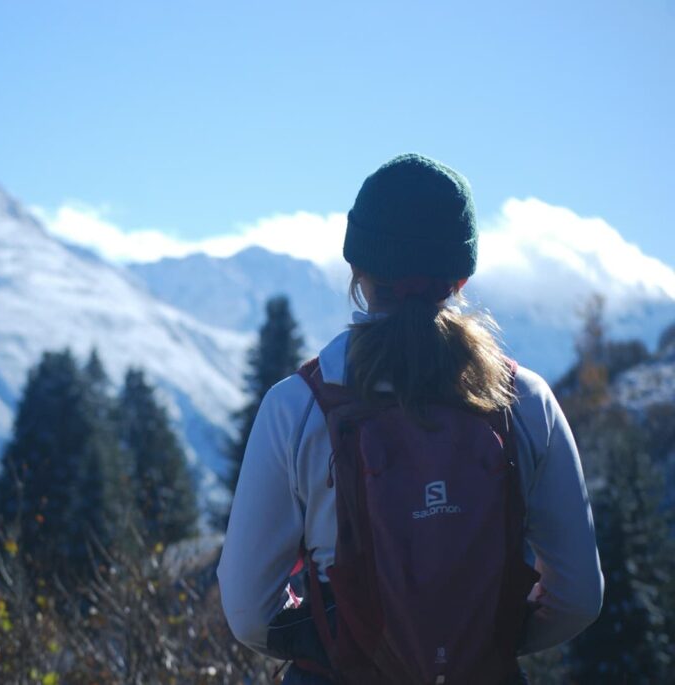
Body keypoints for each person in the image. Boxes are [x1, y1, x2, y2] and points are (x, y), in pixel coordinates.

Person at [217, 154, 604, 684]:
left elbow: (248, 612)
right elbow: (579, 596)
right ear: (462, 276)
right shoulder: (524, 401)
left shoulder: (299, 405)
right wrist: (485, 644)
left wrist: (336, 641)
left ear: (357, 269)